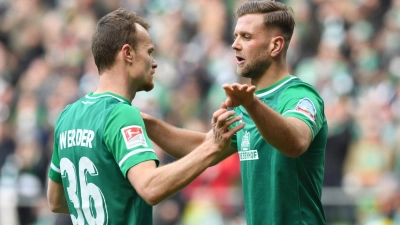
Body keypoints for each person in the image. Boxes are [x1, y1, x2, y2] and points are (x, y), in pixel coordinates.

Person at [46, 8, 244, 225]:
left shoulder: (68, 115)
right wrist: (212, 147)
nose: (154, 62)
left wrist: (109, 199)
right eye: (149, 52)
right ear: (128, 53)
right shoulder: (120, 114)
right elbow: (150, 187)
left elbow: (56, 201)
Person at [141, 1, 328, 224]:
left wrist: (252, 105)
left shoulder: (299, 96)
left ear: (275, 46)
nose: (235, 45)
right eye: (235, 35)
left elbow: (296, 141)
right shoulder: (245, 103)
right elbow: (203, 147)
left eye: (246, 37)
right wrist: (146, 123)